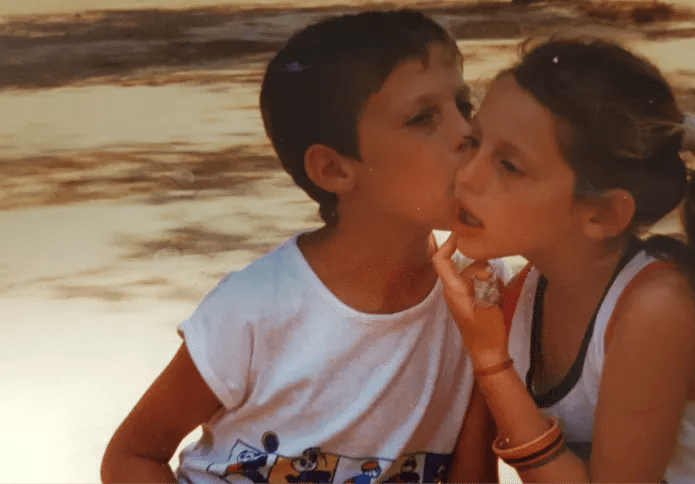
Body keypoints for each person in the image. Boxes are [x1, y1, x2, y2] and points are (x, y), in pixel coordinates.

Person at [101, 10, 502, 484]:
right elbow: (133, 455)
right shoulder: (255, 309)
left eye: (464, 104)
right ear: (334, 170)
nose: (468, 132)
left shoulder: (480, 290)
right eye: (423, 118)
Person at [433, 38, 695, 483]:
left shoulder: (657, 309)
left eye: (508, 165)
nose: (466, 176)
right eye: (476, 141)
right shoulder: (520, 296)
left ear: (602, 214)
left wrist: (490, 361)